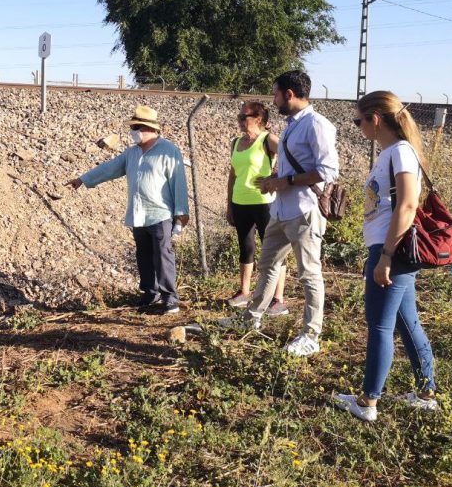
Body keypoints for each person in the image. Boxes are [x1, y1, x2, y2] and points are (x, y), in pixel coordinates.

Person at [333, 90, 438, 422]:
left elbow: (407, 204)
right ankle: (425, 393)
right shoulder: (392, 152)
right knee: (408, 323)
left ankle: (368, 402)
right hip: (387, 248)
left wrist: (387, 256)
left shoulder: (401, 153)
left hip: (392, 249)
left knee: (379, 325)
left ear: (375, 119)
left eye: (359, 120)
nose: (358, 126)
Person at [220, 70, 338, 357]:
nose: (272, 100)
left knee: (309, 274)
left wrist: (282, 182)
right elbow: (296, 167)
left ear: (289, 94)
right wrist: (276, 176)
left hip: (305, 212)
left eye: (275, 93)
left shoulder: (317, 125)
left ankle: (311, 334)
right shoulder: (292, 125)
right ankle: (251, 318)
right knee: (269, 264)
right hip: (281, 210)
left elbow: (328, 171)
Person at [66, 106, 190, 314]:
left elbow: (179, 183)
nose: (133, 131)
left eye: (137, 127)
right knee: (143, 255)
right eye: (133, 127)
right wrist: (83, 179)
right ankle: (151, 293)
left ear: (149, 128)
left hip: (160, 214)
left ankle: (170, 298)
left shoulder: (169, 151)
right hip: (138, 214)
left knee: (163, 254)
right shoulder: (131, 153)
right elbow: (110, 168)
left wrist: (181, 212)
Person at [225, 101, 287, 315]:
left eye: (244, 117)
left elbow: (290, 156)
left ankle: (278, 298)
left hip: (264, 203)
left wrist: (276, 178)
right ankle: (244, 291)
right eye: (239, 117)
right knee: (246, 247)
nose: (240, 121)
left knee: (274, 250)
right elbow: (233, 175)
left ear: (258, 119)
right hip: (240, 202)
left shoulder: (267, 139)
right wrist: (229, 204)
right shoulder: (236, 142)